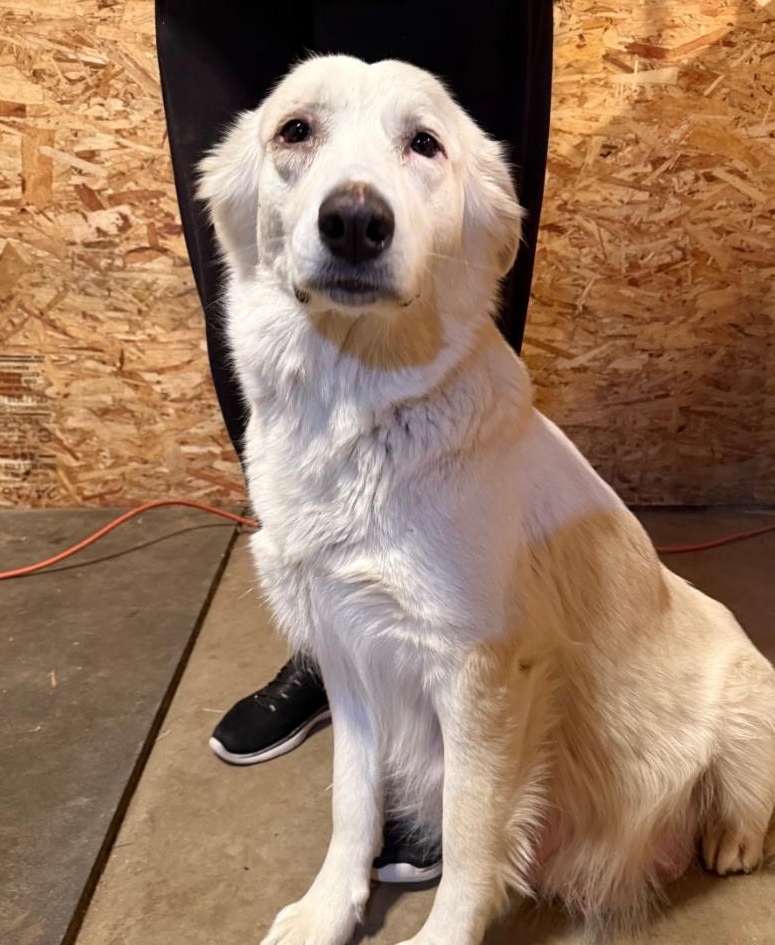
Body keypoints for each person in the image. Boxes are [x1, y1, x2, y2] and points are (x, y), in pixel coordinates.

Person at [155, 0, 553, 883]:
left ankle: (449, 651)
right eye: (301, 132)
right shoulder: (243, 185)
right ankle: (334, 651)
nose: (354, 214)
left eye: (417, 149)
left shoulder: (468, 198)